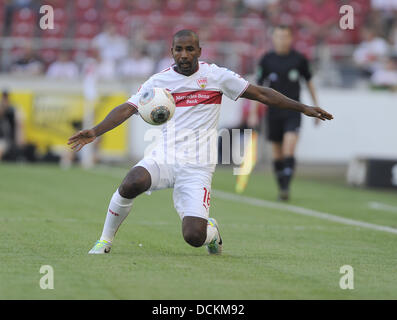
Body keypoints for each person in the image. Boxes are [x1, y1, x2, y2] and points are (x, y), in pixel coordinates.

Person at [68, 30, 333, 255]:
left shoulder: (217, 76)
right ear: (171, 51)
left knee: (194, 237)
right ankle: (105, 240)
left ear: (199, 51)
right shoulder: (159, 82)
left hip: (198, 167)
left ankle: (211, 230)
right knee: (131, 182)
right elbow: (127, 108)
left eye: (190, 49)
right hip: (165, 156)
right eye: (179, 50)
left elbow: (262, 93)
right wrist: (96, 131)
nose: (184, 55)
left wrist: (304, 108)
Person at [249, 25, 320, 201]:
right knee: (277, 154)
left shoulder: (299, 59)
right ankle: (282, 186)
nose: (282, 40)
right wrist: (253, 112)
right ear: (273, 38)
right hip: (273, 112)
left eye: (285, 36)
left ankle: (286, 187)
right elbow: (257, 87)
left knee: (289, 148)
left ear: (291, 38)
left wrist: (316, 106)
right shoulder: (266, 59)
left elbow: (309, 82)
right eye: (278, 36)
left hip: (293, 110)